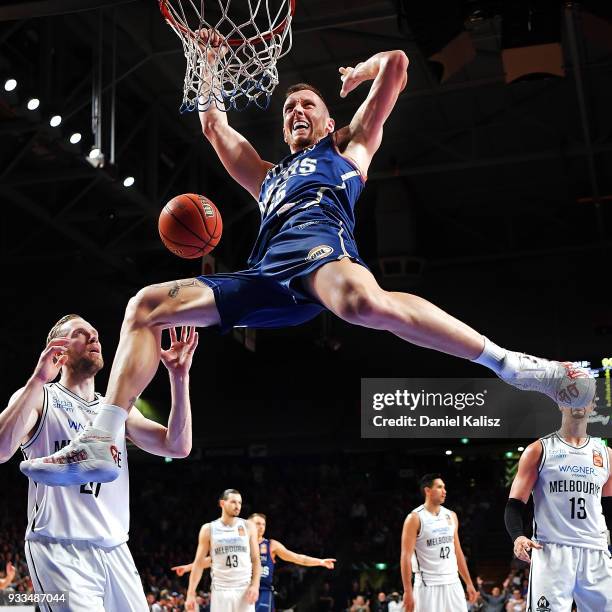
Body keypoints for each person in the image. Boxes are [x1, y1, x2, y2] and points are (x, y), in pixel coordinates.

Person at [20, 45, 595, 487]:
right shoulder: (267, 176)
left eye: (308, 105)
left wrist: (359, 74)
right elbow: (214, 126)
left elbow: (396, 65)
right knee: (144, 305)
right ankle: (105, 439)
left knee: (362, 303)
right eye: (290, 106)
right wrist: (209, 64)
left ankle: (513, 366)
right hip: (265, 276)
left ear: (326, 122)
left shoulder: (348, 152)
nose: (296, 110)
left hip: (324, 261)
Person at [0, 315, 198, 611]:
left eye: (95, 333)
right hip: (59, 549)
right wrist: (38, 379)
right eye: (81, 333)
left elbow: (177, 446)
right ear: (59, 350)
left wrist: (180, 378)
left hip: (115, 547)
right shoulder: (41, 397)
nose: (94, 338)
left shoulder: (114, 411)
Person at [504, 400, 612, 611]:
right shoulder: (539, 450)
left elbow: (609, 507)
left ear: (592, 406)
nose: (579, 401)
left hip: (596, 550)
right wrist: (517, 536)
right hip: (551, 549)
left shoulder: (606, 455)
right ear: (560, 404)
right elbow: (514, 505)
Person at [173, 512, 335, 611]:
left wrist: (320, 562)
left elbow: (297, 558)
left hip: (262, 592)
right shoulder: (237, 542)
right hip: (240, 590)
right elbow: (212, 560)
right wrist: (188, 568)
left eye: (263, 524)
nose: (261, 526)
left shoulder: (271, 545)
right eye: (257, 523)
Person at [400, 474, 477, 612]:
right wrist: (407, 590)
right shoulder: (414, 518)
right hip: (427, 585)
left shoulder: (451, 515)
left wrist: (469, 583)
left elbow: (457, 551)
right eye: (440, 487)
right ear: (427, 491)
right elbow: (405, 557)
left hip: (453, 582)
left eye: (444, 487)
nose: (444, 491)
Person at [185, 489, 260, 612]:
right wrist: (190, 593)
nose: (237, 506)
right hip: (221, 590)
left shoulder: (248, 526)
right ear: (222, 503)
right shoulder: (208, 529)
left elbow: (256, 560)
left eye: (240, 503)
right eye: (233, 502)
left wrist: (255, 585)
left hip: (244, 588)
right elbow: (198, 563)